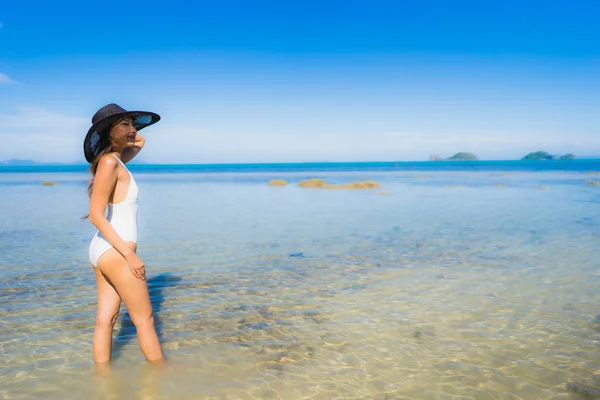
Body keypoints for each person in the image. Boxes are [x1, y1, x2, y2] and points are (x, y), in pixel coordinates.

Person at [83, 103, 164, 370]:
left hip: (103, 249)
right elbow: (95, 214)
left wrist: (125, 134)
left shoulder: (116, 161)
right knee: (145, 319)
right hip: (117, 251)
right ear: (109, 131)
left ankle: (103, 380)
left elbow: (141, 140)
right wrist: (130, 255)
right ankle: (162, 375)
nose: (133, 130)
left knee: (106, 318)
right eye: (126, 124)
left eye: (133, 123)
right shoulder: (109, 162)